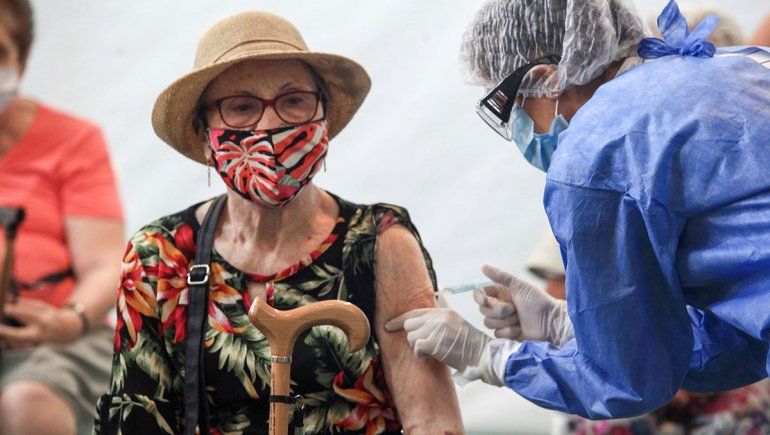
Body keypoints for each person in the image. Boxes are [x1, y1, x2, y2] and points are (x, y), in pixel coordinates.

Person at [387, 0, 770, 420]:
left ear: (546, 80)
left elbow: (627, 382)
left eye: (509, 106)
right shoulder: (740, 66)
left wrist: (491, 358)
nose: (518, 127)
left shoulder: (595, 156)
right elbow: (740, 337)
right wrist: (569, 327)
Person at [94, 11, 463, 435]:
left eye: (293, 101)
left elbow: (432, 421)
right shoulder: (158, 257)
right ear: (204, 136)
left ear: (324, 119)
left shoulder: (380, 243)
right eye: (241, 107)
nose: (270, 125)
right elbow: (135, 420)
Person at [0, 1, 125, 434]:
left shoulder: (72, 141)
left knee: (27, 403)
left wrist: (70, 319)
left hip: (55, 344)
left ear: (21, 59)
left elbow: (106, 265)